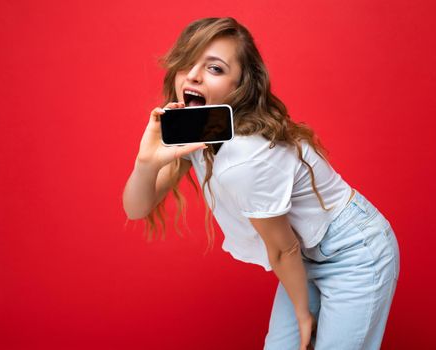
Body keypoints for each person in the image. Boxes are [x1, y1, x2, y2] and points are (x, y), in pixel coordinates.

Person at [122, 17, 400, 350]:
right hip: (304, 253)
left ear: (240, 86)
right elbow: (137, 208)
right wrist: (145, 163)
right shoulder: (201, 127)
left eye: (215, 69)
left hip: (354, 251)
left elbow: (284, 249)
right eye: (187, 62)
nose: (193, 75)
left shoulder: (247, 156)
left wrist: (303, 316)